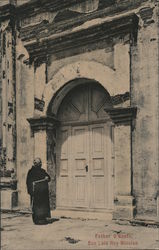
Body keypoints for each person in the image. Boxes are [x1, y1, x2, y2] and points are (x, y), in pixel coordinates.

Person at [26, 158, 51, 225]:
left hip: (43, 193)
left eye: (40, 163)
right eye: (39, 163)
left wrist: (47, 177)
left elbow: (49, 178)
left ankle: (43, 218)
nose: (40, 164)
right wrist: (31, 191)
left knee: (43, 206)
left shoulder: (42, 171)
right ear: (35, 163)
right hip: (36, 193)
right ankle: (37, 220)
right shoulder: (31, 172)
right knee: (37, 206)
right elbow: (28, 182)